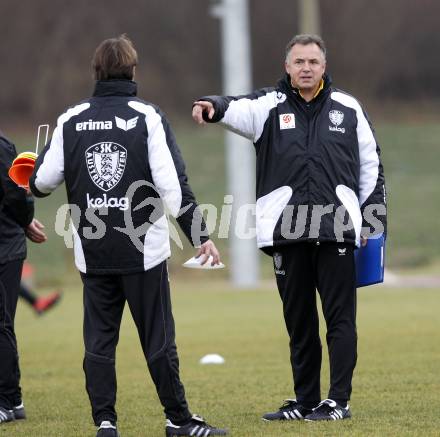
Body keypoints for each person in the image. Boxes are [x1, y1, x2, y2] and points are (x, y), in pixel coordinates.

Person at [29, 35, 227, 437]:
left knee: (99, 342)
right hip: (144, 250)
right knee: (158, 338)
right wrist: (199, 235)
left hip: (92, 250)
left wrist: (28, 173)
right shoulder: (147, 116)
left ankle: (105, 422)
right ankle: (178, 420)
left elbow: (42, 183)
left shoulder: (71, 118)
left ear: (95, 73)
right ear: (133, 71)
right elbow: (174, 188)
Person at [192, 34, 387, 421]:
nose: (306, 68)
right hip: (287, 231)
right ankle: (305, 401)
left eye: (313, 61)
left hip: (336, 231)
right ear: (287, 67)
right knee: (299, 322)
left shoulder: (349, 108)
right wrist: (211, 106)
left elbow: (373, 169)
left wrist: (372, 222)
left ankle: (338, 401)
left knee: (340, 320)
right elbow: (233, 106)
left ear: (324, 66)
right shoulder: (268, 106)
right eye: (299, 62)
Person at [0, 130, 47, 424]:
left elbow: (16, 190)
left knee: (1, 323)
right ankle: (12, 400)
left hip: (5, 246)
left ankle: (7, 400)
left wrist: (26, 217)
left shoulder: (2, 146)